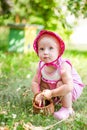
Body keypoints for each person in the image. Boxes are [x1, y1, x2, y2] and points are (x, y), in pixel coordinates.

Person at [31, 30, 84, 120]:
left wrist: (51, 93)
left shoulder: (63, 66)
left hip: (71, 88)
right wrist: (38, 94)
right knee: (41, 83)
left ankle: (67, 109)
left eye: (51, 48)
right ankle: (52, 99)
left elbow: (69, 86)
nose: (45, 52)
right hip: (55, 86)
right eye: (42, 49)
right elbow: (35, 82)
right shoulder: (41, 65)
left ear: (59, 51)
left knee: (61, 83)